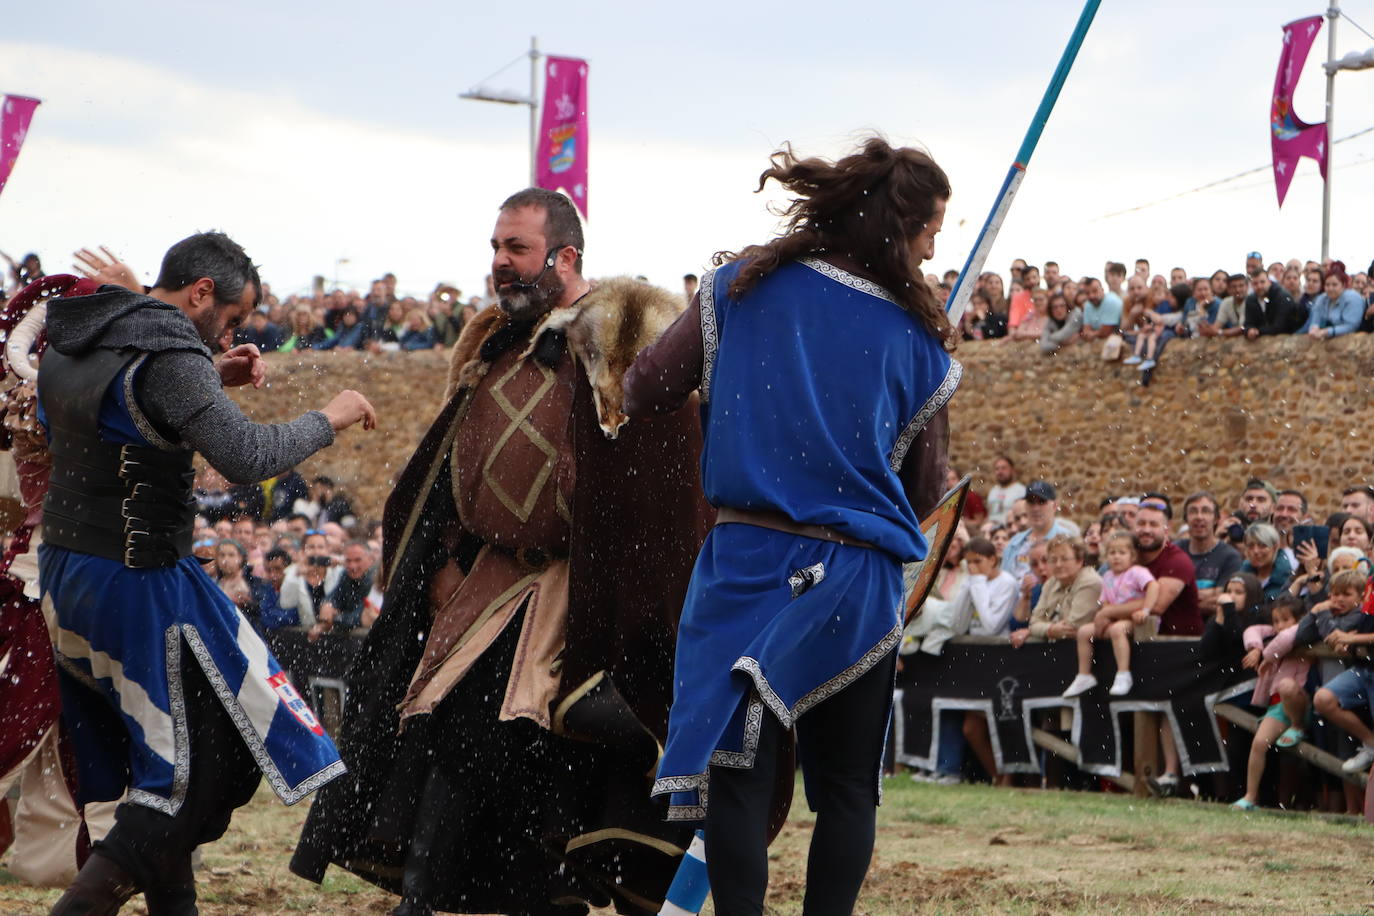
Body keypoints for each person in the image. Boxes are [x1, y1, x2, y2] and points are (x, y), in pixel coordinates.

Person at [292, 187, 712, 916]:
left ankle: (526, 894)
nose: (500, 264)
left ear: (565, 254)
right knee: (437, 725)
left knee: (532, 746)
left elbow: (660, 484)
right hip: (486, 579)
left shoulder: (623, 341)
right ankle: (443, 895)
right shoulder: (495, 346)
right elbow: (452, 465)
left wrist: (618, 587)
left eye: (516, 249)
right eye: (496, 248)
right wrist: (445, 553)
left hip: (575, 588)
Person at [622, 137, 959, 916]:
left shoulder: (740, 287)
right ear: (895, 225)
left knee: (738, 779)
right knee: (844, 790)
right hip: (859, 579)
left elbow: (646, 388)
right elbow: (926, 489)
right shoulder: (918, 341)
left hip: (749, 564)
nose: (935, 247)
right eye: (930, 231)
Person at [37, 232, 376, 914]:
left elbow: (113, 413)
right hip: (134, 579)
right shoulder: (168, 349)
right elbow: (249, 454)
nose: (233, 332)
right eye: (229, 318)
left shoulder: (86, 331)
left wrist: (209, 380)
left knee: (191, 752)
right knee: (187, 776)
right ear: (200, 293)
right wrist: (329, 417)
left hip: (69, 569)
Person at [1231, 596, 1311, 810]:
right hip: (1277, 706)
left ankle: (1297, 726)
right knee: (1259, 743)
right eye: (1275, 621)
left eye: (1285, 619)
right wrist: (1256, 648)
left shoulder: (1303, 633)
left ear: (1300, 619)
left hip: (1300, 700)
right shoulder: (1275, 636)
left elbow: (1288, 636)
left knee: (1286, 685)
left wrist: (1267, 655)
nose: (1279, 626)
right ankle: (1250, 796)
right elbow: (1252, 630)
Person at [1063, 532, 1160, 698]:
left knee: (1116, 631)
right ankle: (1084, 675)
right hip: (1115, 620)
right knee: (1084, 632)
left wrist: (1146, 610)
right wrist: (1105, 616)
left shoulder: (1137, 572)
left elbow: (1153, 587)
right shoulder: (1107, 576)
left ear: (1132, 556)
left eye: (1122, 553)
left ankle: (1123, 674)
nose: (1116, 557)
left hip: (1136, 620)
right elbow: (1105, 602)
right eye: (1112, 553)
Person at [1009, 535, 1101, 648]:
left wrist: (1041, 629)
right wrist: (1051, 630)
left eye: (1064, 559)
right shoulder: (1051, 582)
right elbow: (1033, 623)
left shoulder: (1090, 582)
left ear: (1079, 560)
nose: (1058, 564)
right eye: (1053, 560)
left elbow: (1071, 628)